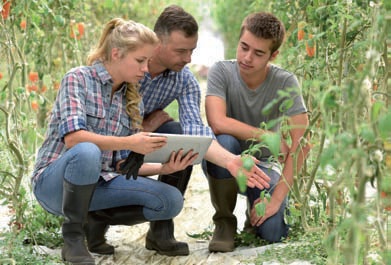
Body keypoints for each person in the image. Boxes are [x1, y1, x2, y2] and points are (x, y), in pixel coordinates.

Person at [31, 18, 197, 265]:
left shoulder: (133, 101)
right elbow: (74, 139)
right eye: (140, 61)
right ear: (117, 54)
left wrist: (165, 168)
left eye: (147, 61)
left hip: (98, 185)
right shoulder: (78, 79)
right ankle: (73, 238)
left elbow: (121, 167)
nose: (145, 69)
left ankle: (95, 219)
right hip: (56, 186)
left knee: (170, 200)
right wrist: (130, 142)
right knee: (87, 151)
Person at [135, 5, 271, 256]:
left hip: (139, 138)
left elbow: (196, 132)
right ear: (157, 44)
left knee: (180, 136)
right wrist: (144, 126)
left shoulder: (184, 79)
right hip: (113, 139)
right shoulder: (128, 65)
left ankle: (161, 230)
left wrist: (231, 161)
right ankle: (90, 224)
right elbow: (104, 121)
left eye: (192, 51)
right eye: (181, 51)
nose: (188, 58)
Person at [203, 11, 312, 252]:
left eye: (258, 53)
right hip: (226, 162)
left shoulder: (285, 82)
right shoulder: (221, 71)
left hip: (262, 166)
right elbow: (217, 122)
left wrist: (276, 199)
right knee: (224, 140)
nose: (247, 57)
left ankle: (254, 217)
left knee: (272, 233)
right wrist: (268, 137)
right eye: (244, 47)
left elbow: (301, 144)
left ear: (273, 55)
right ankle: (224, 222)